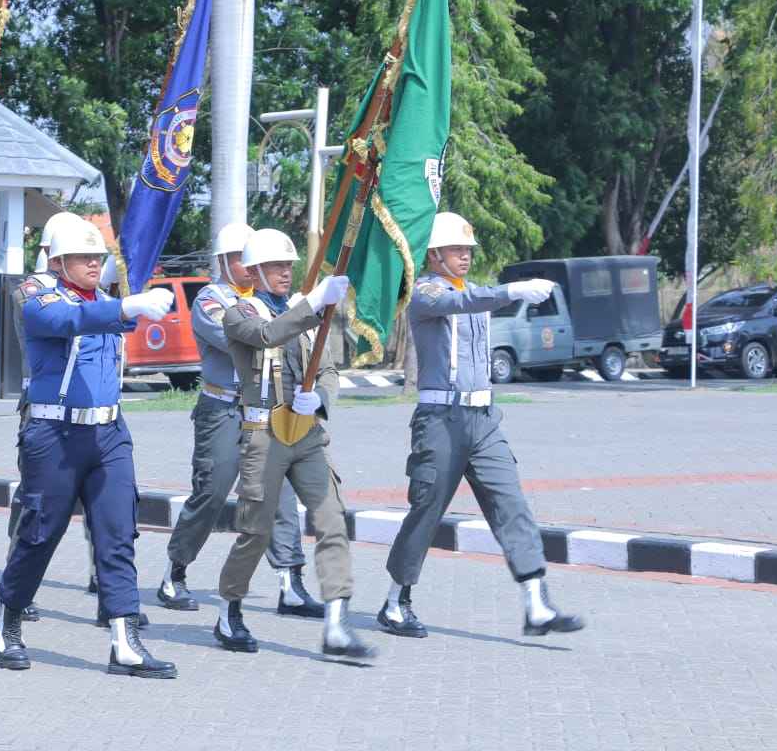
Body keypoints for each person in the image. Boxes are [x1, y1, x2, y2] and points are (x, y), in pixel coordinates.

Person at [377, 212, 585, 639]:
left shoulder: (475, 293)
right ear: (434, 255)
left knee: (512, 503)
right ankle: (396, 600)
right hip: (441, 421)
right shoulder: (426, 292)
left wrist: (503, 294)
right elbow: (457, 303)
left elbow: (474, 299)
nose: (466, 256)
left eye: (469, 250)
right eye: (457, 250)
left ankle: (536, 602)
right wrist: (513, 290)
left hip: (484, 420)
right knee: (427, 510)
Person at [0, 221, 175, 676]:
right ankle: (8, 623)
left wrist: (128, 303)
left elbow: (108, 316)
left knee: (117, 535)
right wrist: (128, 304)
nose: (94, 263)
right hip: (55, 435)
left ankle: (124, 639)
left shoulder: (104, 300)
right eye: (82, 257)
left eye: (97, 257)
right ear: (57, 262)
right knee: (39, 534)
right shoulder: (38, 294)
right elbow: (63, 320)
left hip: (109, 433)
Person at [213, 228, 374, 659]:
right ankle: (229, 607)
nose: (285, 273)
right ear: (255, 271)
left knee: (332, 520)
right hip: (264, 435)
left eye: (288, 266)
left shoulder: (306, 315)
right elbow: (266, 336)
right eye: (276, 267)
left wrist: (320, 397)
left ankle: (337, 623)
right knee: (256, 531)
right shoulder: (239, 312)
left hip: (306, 433)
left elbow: (328, 369)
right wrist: (314, 304)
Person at [158, 222, 322, 618]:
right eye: (238, 258)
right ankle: (174, 571)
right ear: (222, 261)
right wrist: (299, 314)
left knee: (280, 496)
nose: (248, 266)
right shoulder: (212, 302)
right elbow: (255, 336)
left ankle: (290, 583)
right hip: (225, 409)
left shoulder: (276, 301)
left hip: (268, 411)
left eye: (255, 260)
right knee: (212, 493)